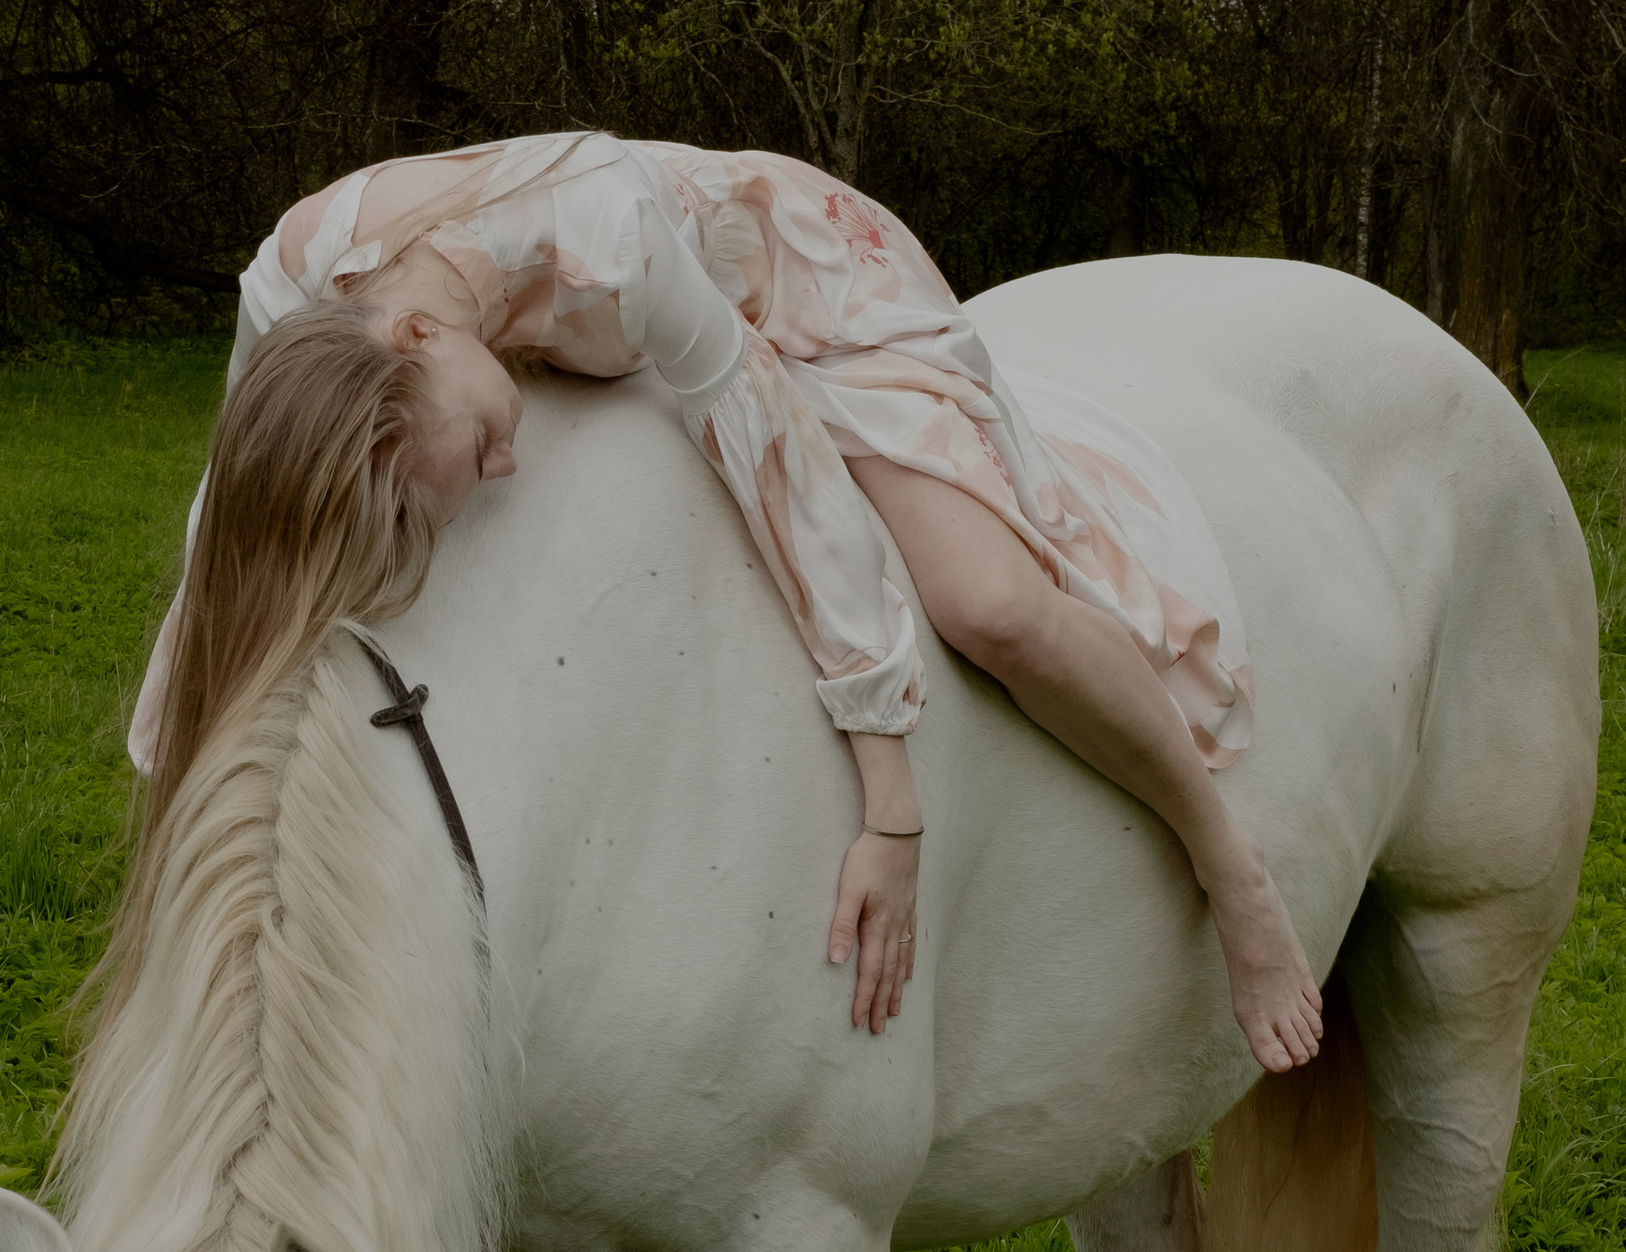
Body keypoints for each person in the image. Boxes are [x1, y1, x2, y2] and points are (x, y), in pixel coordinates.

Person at [128, 132, 1323, 1071]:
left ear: (420, 334)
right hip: (656, 340)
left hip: (798, 295)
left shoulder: (601, 234)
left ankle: (1231, 865)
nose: (503, 468)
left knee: (989, 602)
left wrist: (888, 795)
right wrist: (180, 769)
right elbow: (226, 529)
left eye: (486, 438)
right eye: (485, 462)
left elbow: (782, 473)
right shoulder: (292, 291)